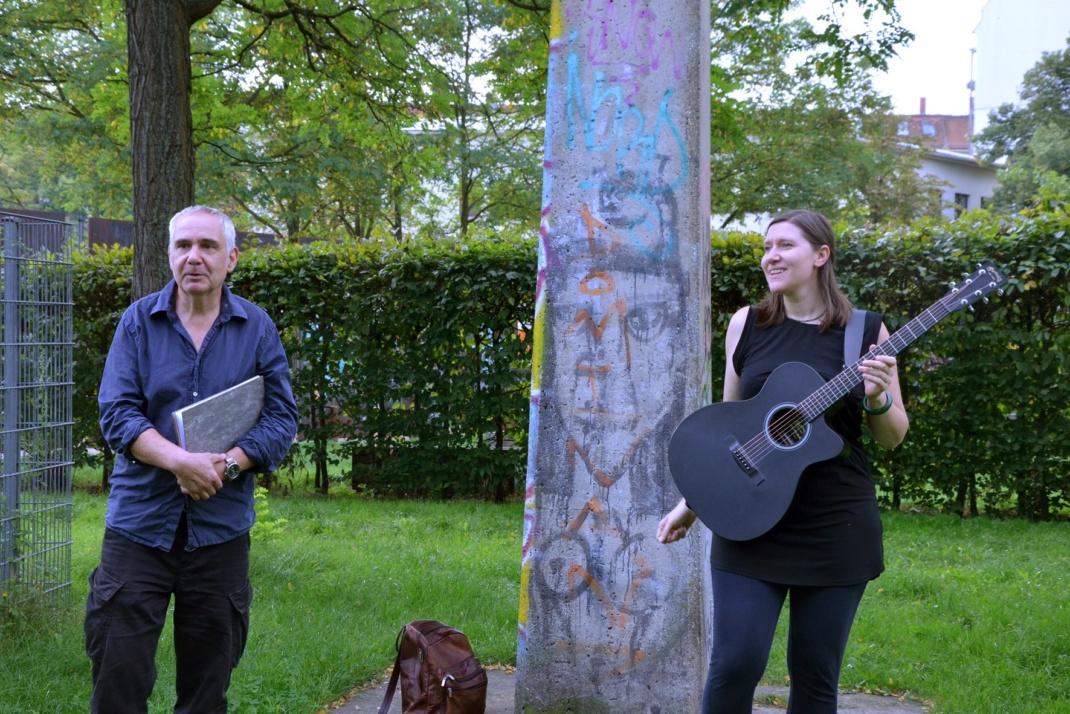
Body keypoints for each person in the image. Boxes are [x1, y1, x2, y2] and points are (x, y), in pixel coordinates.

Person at [657, 209, 909, 714]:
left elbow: (893, 436)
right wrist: (692, 505)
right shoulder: (746, 324)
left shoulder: (867, 332)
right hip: (749, 521)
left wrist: (878, 399)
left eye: (785, 246)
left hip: (834, 524)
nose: (771, 256)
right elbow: (732, 429)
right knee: (734, 664)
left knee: (815, 674)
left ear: (821, 256)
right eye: (767, 246)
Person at [86, 205, 299, 713]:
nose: (194, 257)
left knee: (207, 689)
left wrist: (225, 465)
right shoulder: (137, 323)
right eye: (183, 246)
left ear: (232, 258)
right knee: (117, 677)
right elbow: (117, 414)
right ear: (169, 255)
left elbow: (281, 418)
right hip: (139, 530)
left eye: (207, 246)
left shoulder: (257, 328)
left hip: (219, 534)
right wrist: (181, 462)